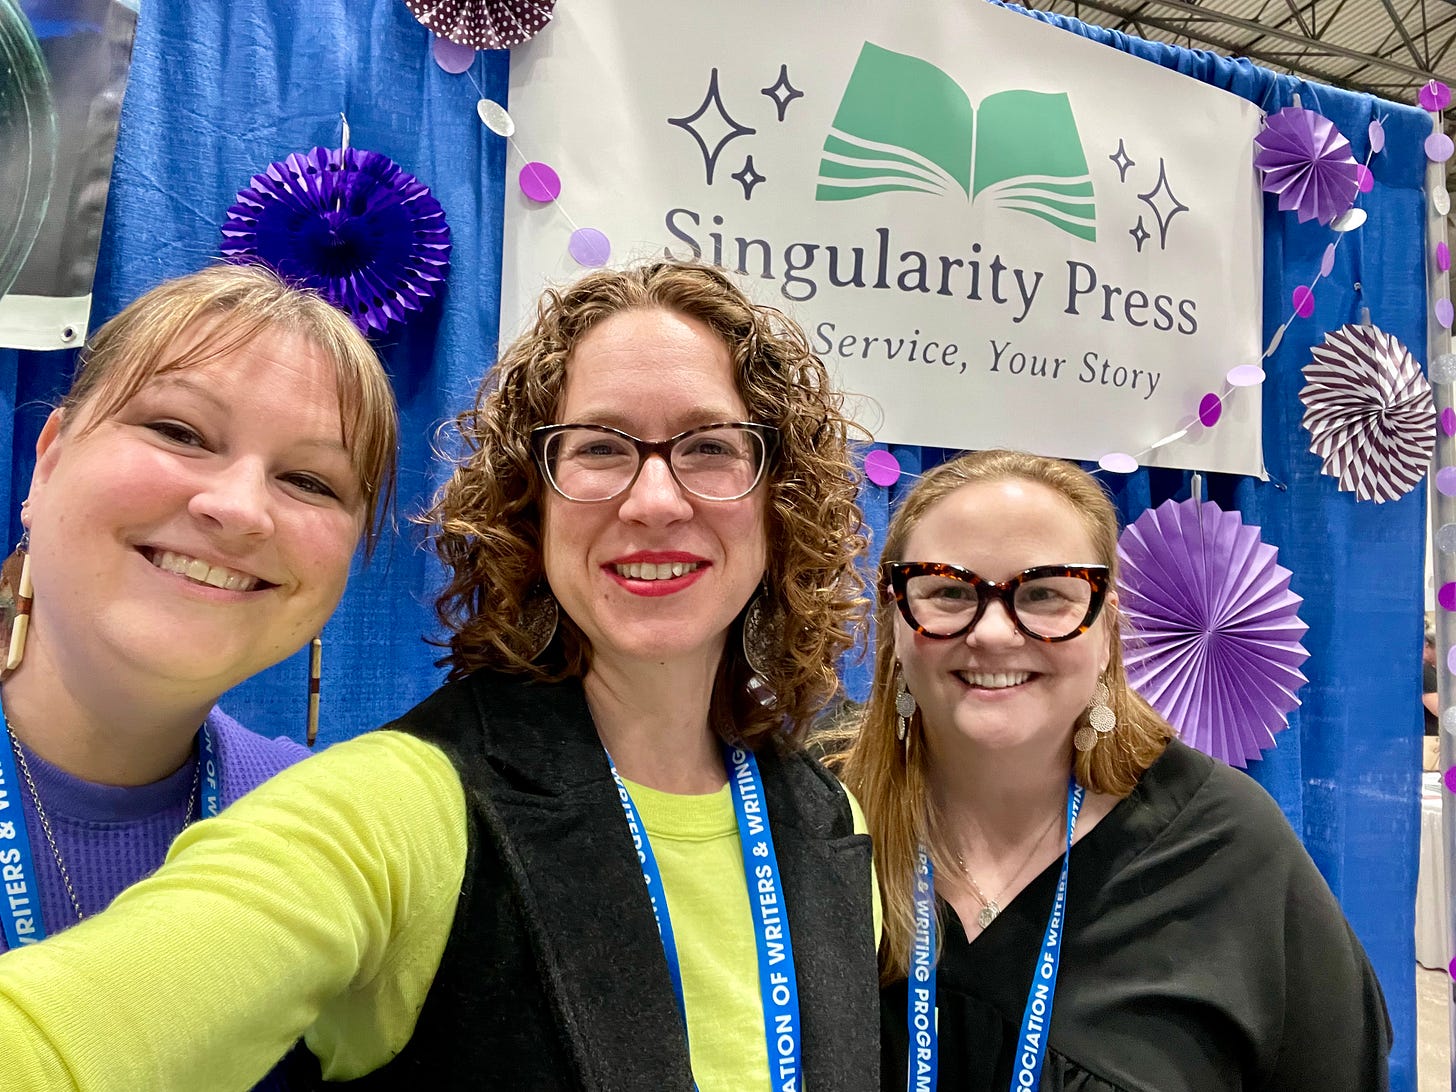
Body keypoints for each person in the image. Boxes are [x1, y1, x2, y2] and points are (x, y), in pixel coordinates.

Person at [0, 259, 880, 1091]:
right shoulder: (397, 802)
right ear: (529, 508)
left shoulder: (826, 817)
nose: (655, 499)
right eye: (600, 449)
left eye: (711, 448)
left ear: (782, 501)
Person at [832, 449, 1391, 1091]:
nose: (991, 632)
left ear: (1107, 631)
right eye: (947, 590)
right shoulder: (820, 827)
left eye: (1044, 593)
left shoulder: (1227, 849)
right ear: (894, 619)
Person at [0, 262, 398, 1089]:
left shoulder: (334, 834)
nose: (241, 507)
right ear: (47, 464)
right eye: (180, 431)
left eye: (309, 481)